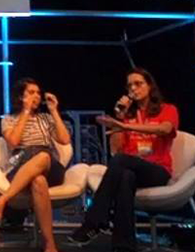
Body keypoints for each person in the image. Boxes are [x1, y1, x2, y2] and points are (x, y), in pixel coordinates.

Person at [69, 68, 179, 252]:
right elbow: (116, 150)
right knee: (126, 177)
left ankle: (95, 221)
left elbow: (165, 129)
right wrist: (120, 118)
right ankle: (124, 245)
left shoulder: (167, 109)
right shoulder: (128, 117)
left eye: (138, 83)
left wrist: (125, 126)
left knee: (121, 163)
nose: (133, 89)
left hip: (157, 170)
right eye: (129, 86)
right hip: (130, 168)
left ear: (150, 86)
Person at [0, 78, 71, 252]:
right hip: (22, 163)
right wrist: (26, 112)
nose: (37, 96)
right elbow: (13, 142)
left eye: (38, 93)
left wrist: (54, 111)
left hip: (50, 165)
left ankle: (3, 199)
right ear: (21, 97)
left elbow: (65, 140)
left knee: (43, 156)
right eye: (31, 93)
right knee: (38, 181)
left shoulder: (45, 118)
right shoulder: (9, 120)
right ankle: (49, 244)